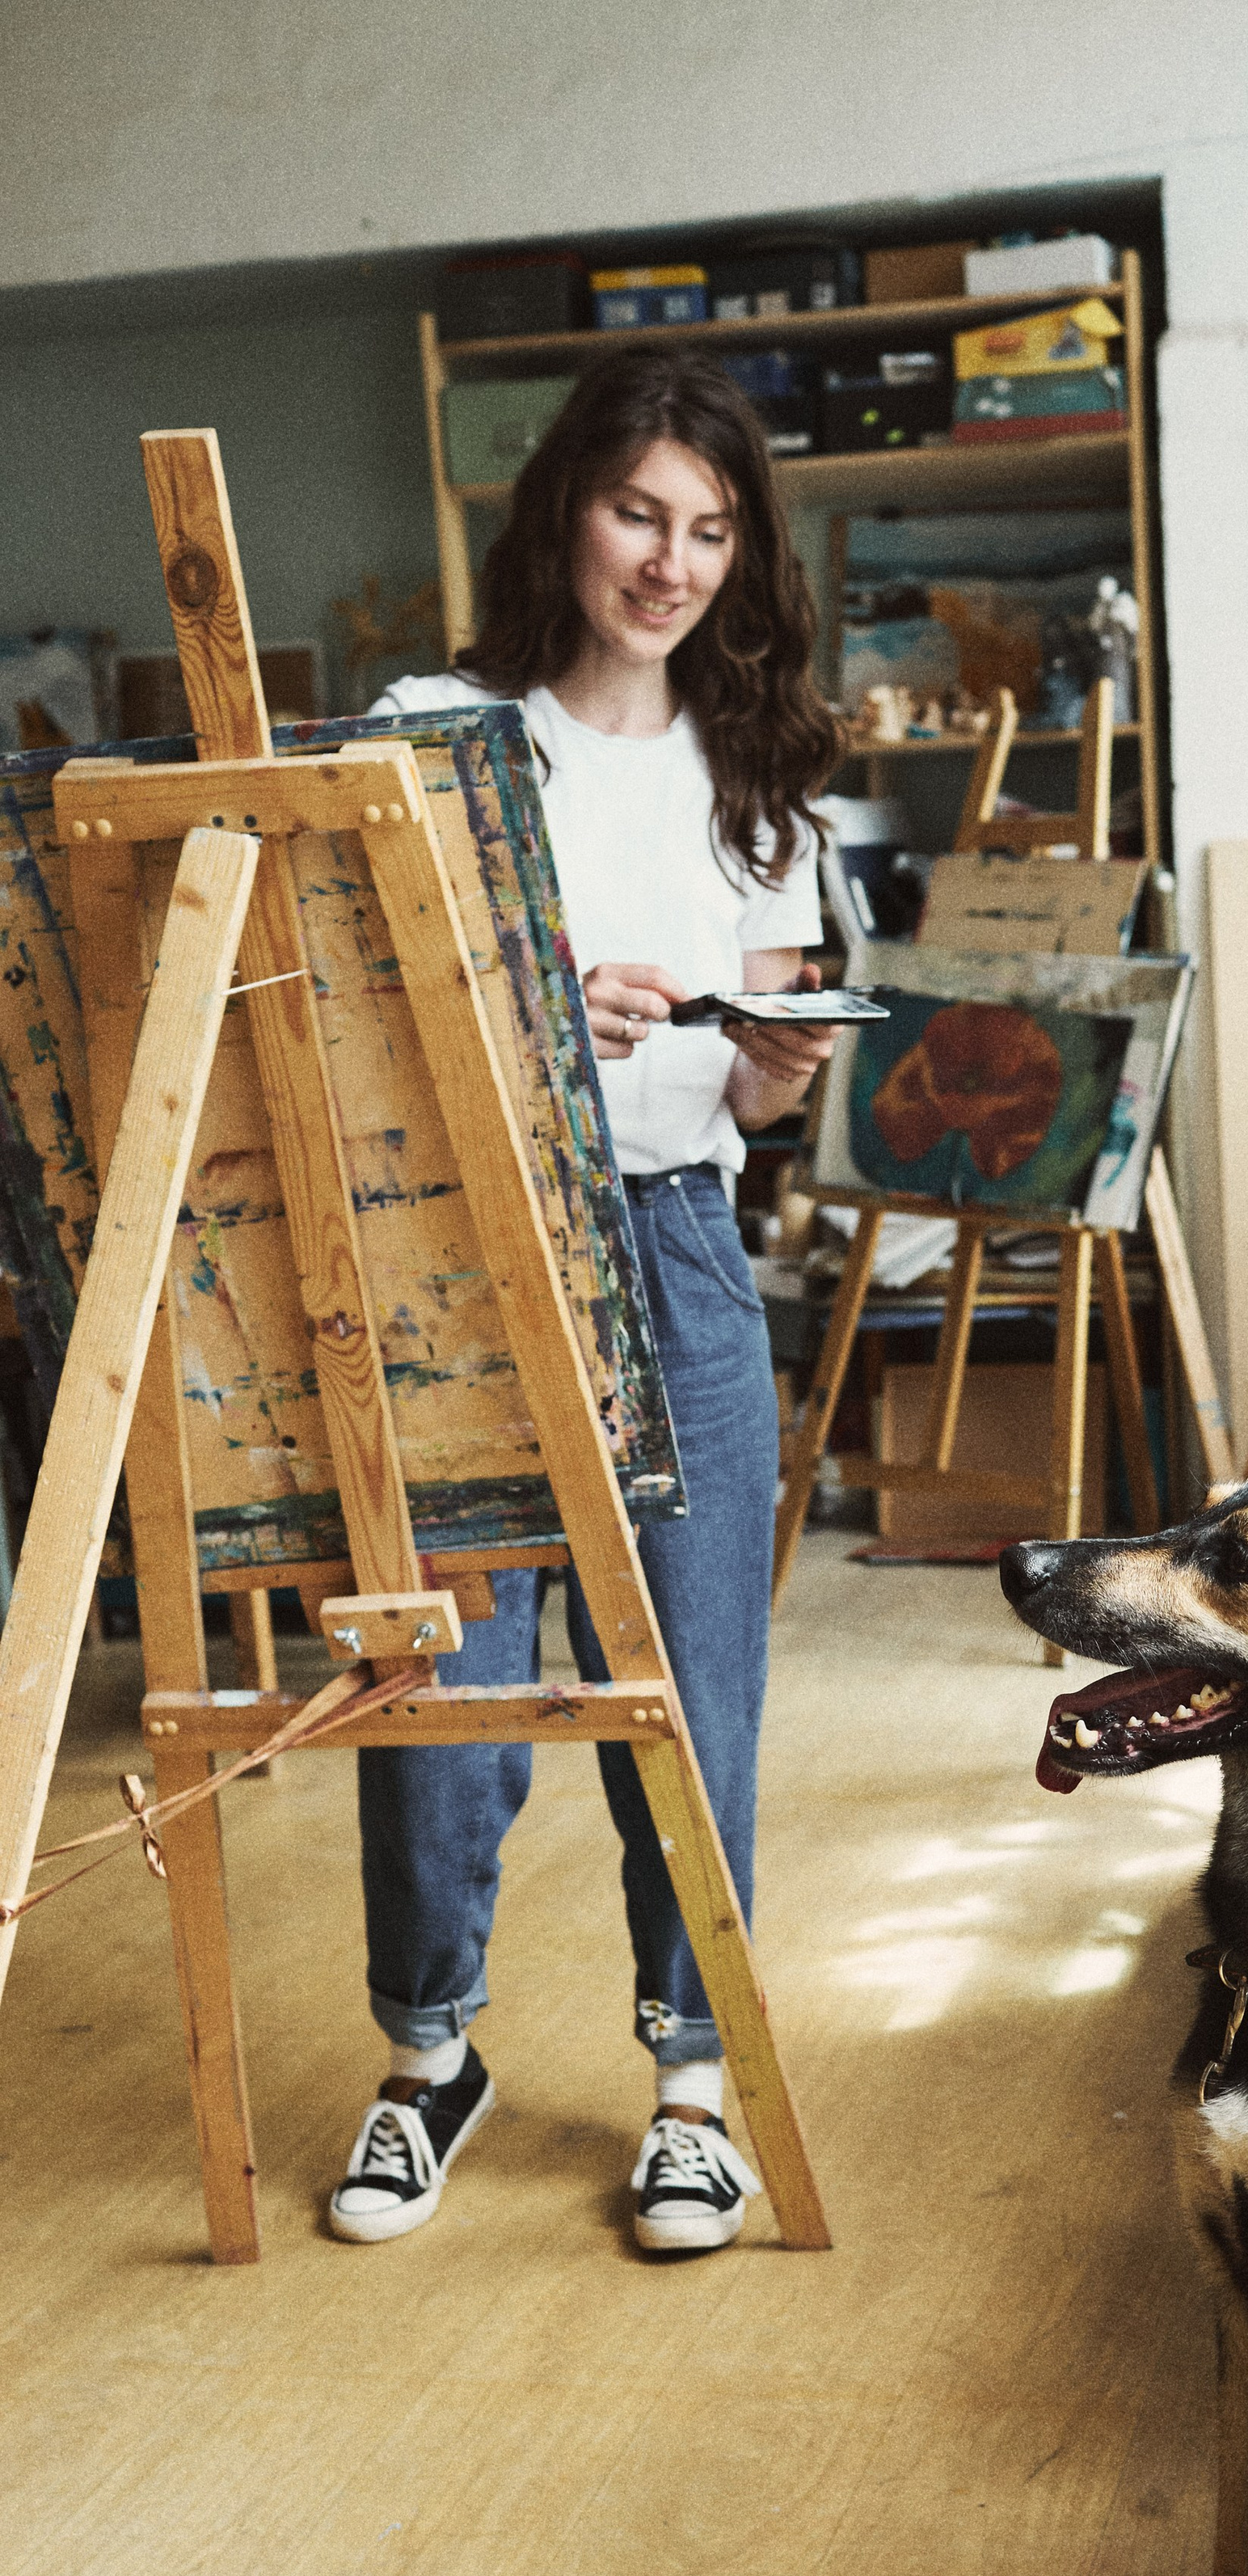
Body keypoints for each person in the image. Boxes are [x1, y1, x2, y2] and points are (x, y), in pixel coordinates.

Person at [328, 347, 841, 2257]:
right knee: (441, 1694)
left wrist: (777, 1071)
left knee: (697, 1695)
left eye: (711, 530)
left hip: (680, 1246)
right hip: (457, 1255)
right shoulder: (433, 727)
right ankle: (426, 2056)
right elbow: (350, 983)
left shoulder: (761, 775)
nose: (671, 562)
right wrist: (547, 987)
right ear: (565, 509)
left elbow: (768, 1065)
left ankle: (692, 2087)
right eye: (640, 511)